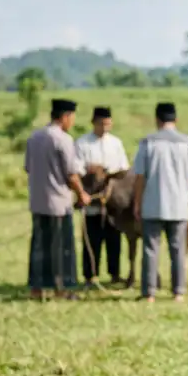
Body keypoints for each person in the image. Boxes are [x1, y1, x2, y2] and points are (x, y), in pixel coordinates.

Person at [132, 103, 188, 303]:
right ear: (176, 120)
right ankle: (178, 291)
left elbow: (139, 176)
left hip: (152, 204)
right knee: (178, 249)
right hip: (179, 206)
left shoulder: (147, 143)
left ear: (157, 119)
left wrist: (137, 202)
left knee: (150, 249)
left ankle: (149, 293)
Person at [24, 98, 91, 301]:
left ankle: (37, 289)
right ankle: (61, 290)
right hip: (59, 205)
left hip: (37, 202)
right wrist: (82, 194)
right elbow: (71, 174)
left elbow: (28, 167)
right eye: (72, 117)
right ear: (65, 117)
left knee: (39, 247)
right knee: (61, 249)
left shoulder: (34, 137)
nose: (72, 121)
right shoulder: (63, 139)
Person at [75, 106, 130, 286]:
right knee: (92, 238)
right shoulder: (82, 143)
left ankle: (114, 273)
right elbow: (77, 169)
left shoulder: (116, 143)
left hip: (113, 198)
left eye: (107, 124)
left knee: (114, 236)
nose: (104, 128)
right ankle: (90, 276)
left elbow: (124, 167)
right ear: (93, 123)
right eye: (101, 124)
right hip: (92, 196)